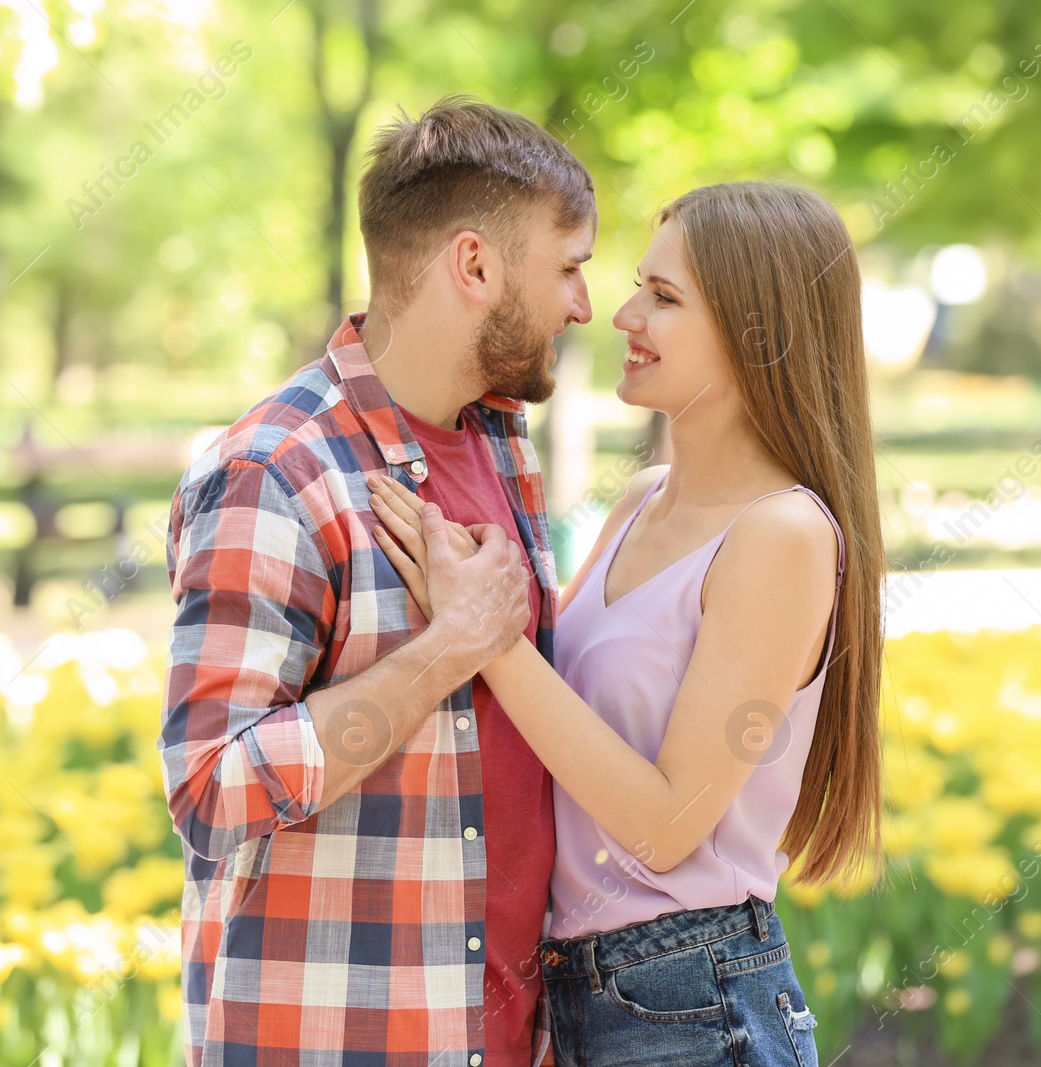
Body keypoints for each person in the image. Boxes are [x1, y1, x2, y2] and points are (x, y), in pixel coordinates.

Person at [368, 181, 886, 1067]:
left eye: (665, 298)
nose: (622, 313)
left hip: (692, 998)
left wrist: (486, 632)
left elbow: (665, 823)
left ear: (757, 331)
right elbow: (558, 721)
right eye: (639, 285)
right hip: (582, 993)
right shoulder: (643, 502)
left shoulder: (782, 534)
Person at [159, 96, 595, 1067]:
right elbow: (211, 788)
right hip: (337, 1037)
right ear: (475, 265)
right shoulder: (275, 470)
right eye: (569, 268)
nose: (584, 305)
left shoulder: (500, 441)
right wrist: (447, 650)